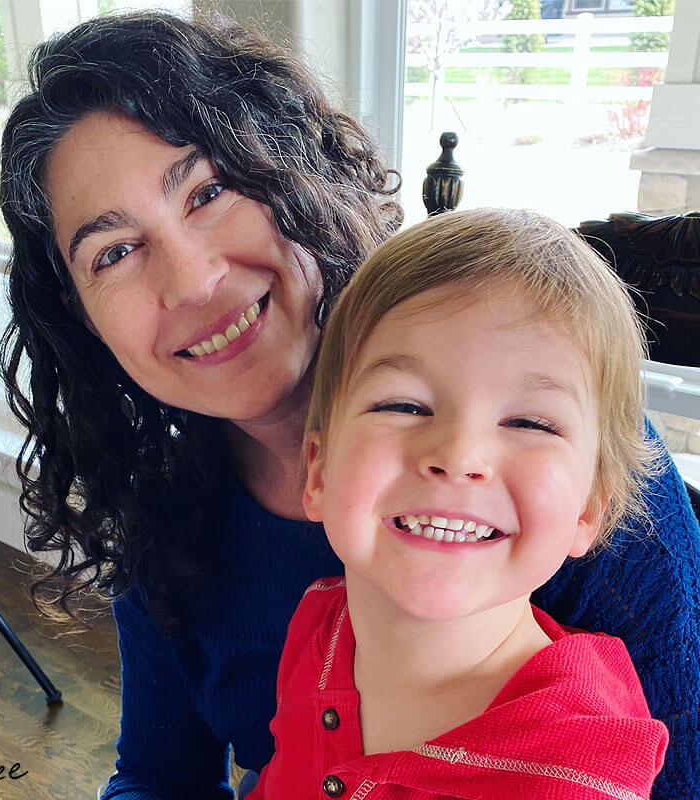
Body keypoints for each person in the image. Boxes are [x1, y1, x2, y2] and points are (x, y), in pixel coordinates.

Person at [0, 10, 700, 800]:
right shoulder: (167, 508)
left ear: (294, 170)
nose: (192, 280)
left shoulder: (546, 471)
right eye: (115, 252)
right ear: (82, 320)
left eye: (210, 190)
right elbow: (161, 778)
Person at [248, 208, 669, 799]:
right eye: (404, 405)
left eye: (529, 422)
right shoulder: (320, 624)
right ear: (317, 468)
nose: (458, 453)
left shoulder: (578, 773)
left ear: (587, 511)